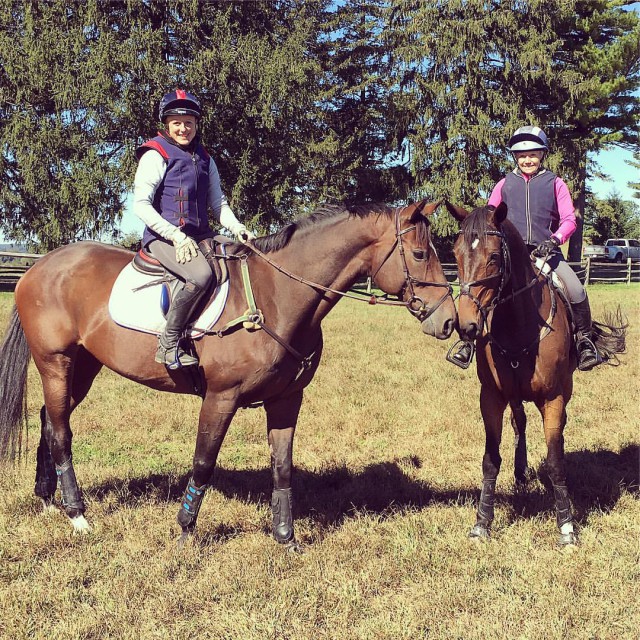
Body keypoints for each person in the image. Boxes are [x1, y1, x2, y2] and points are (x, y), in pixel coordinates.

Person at [450, 125, 601, 371]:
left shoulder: (555, 183)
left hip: (547, 252)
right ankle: (467, 342)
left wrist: (554, 240)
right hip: (511, 255)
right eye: (522, 156)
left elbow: (569, 220)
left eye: (532, 154)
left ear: (542, 154)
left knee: (575, 288)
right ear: (515, 157)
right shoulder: (504, 184)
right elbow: (490, 216)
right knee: (483, 289)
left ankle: (584, 341)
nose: (527, 159)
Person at [133, 89, 255, 369]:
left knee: (243, 255)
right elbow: (140, 205)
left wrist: (238, 228)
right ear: (167, 123)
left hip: (201, 234)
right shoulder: (156, 153)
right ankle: (169, 342)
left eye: (189, 122)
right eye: (177, 122)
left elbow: (218, 203)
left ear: (197, 124)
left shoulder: (205, 157)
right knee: (200, 275)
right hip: (163, 238)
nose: (183, 128)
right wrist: (175, 235)